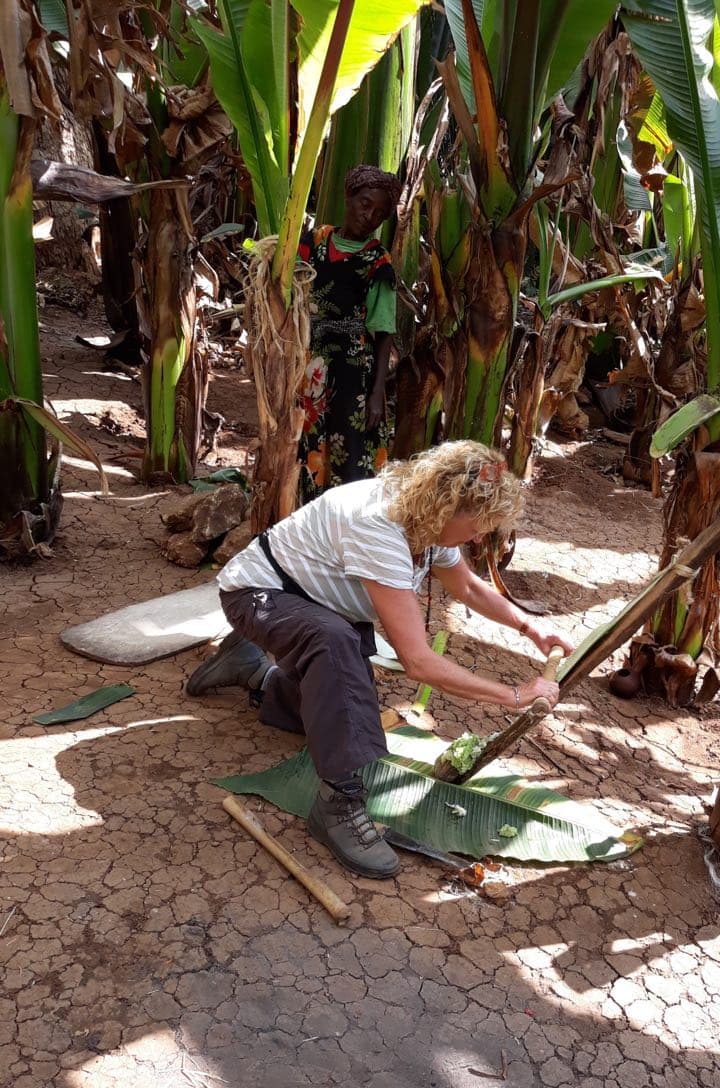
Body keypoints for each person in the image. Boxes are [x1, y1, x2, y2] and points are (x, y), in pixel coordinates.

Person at [186, 441, 573, 879]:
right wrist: (515, 694)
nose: (479, 537)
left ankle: (253, 670)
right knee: (337, 646)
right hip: (255, 597)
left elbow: (466, 587)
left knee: (337, 708)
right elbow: (418, 662)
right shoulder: (379, 526)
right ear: (447, 506)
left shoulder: (426, 519)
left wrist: (530, 628)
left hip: (309, 602)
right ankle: (339, 803)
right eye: (478, 526)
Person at [296, 165, 402, 501]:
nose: (369, 216)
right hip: (311, 362)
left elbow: (384, 331)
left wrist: (376, 393)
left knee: (352, 448)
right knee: (309, 441)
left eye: (379, 214)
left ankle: (347, 526)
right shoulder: (313, 241)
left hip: (354, 370)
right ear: (349, 197)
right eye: (365, 204)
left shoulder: (377, 262)